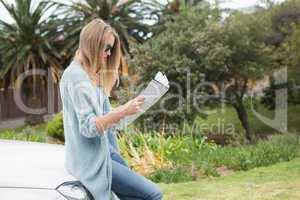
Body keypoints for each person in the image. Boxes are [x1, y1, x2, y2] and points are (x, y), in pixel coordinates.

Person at [59, 18, 163, 200]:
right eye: (106, 48)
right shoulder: (75, 76)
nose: (108, 54)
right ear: (92, 44)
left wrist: (135, 107)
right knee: (153, 194)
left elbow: (109, 121)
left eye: (111, 49)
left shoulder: (93, 77)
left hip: (108, 155)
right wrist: (122, 111)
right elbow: (89, 128)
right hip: (93, 162)